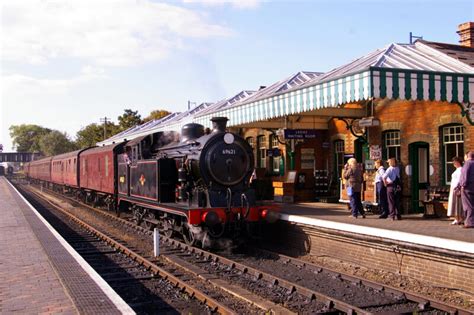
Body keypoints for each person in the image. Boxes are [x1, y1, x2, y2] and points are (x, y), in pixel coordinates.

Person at [458, 151, 474, 228]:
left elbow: (464, 175)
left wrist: (462, 185)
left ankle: (469, 223)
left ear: (467, 156)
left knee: (468, 205)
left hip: (467, 188)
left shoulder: (468, 164)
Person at [447, 157, 464, 225]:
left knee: (457, 204)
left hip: (456, 189)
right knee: (455, 203)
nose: (453, 163)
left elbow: (459, 180)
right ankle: (458, 218)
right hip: (453, 188)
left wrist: (456, 188)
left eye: (454, 162)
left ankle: (458, 219)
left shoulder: (460, 170)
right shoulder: (457, 170)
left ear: (458, 162)